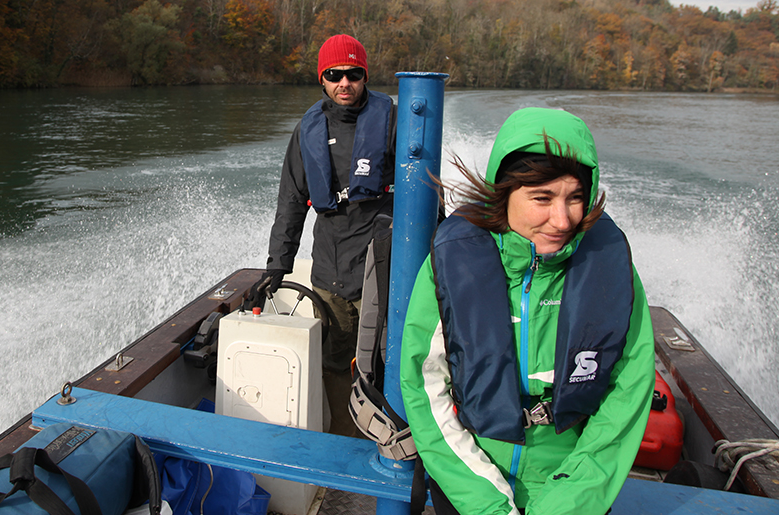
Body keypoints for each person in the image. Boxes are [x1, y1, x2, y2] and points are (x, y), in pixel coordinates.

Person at [399, 107, 654, 515]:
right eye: (542, 198)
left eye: (575, 198)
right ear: (504, 193)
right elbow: (424, 384)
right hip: (471, 476)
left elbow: (629, 392)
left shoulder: (610, 269)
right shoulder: (453, 262)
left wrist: (567, 503)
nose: (563, 218)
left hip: (572, 483)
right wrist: (486, 503)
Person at [257, 34, 396, 436]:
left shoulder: (394, 121)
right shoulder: (307, 131)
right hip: (330, 269)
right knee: (336, 360)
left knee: (383, 359)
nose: (344, 83)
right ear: (322, 79)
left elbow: (423, 190)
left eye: (353, 74)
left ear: (365, 76)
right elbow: (290, 202)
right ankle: (344, 437)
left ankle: (388, 442)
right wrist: (278, 266)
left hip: (380, 266)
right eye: (334, 75)